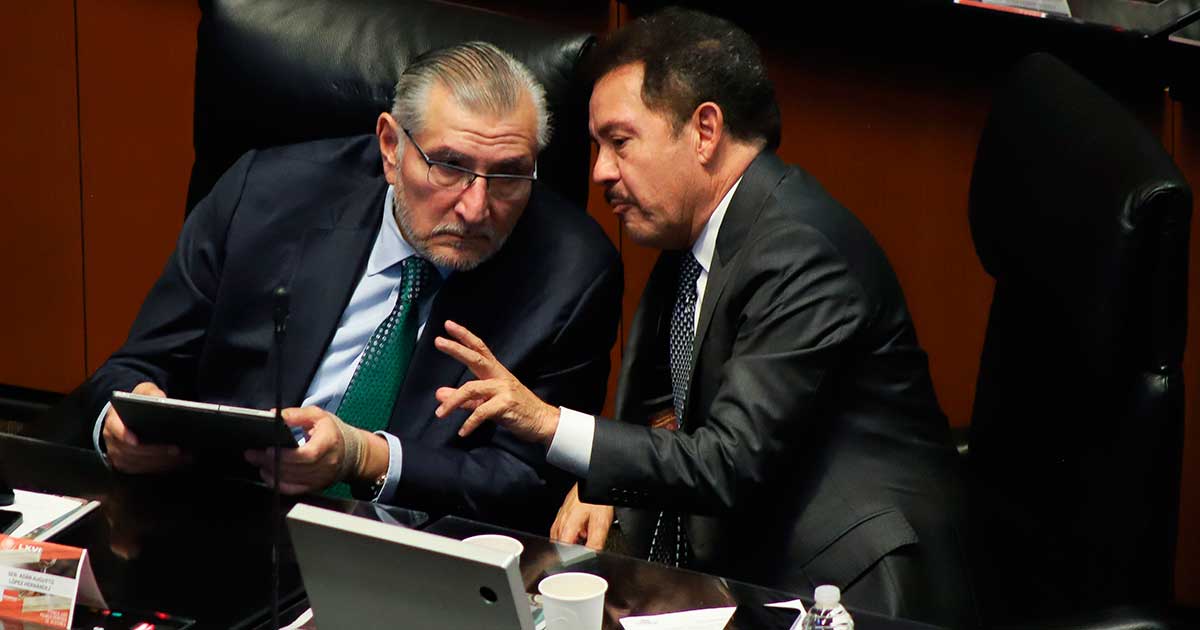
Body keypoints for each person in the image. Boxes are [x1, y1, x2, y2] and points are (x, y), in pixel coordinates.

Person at [432, 10, 974, 627]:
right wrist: (600, 483)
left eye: (619, 142)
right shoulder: (694, 237)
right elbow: (670, 409)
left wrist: (550, 423)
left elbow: (728, 462)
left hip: (851, 590)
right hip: (748, 560)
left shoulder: (801, 251)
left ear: (705, 131)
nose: (600, 171)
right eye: (597, 147)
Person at [84, 42, 622, 533]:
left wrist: (365, 457)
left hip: (408, 553)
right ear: (391, 147)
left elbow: (526, 483)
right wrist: (121, 423)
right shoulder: (265, 196)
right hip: (218, 518)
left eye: (508, 174)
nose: (476, 207)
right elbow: (132, 368)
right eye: (449, 166)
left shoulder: (570, 273)